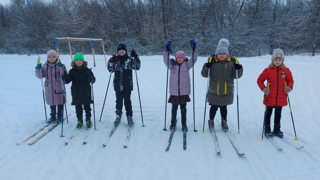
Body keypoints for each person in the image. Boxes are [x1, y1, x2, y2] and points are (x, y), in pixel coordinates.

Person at [201, 38, 243, 131]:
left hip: (226, 90)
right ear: (217, 54)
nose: (222, 55)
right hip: (214, 89)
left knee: (224, 108)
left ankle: (224, 121)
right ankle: (211, 121)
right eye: (220, 53)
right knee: (213, 107)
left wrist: (238, 68)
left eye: (224, 53)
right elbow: (204, 74)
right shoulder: (212, 62)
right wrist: (207, 66)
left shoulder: (231, 63)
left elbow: (236, 76)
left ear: (227, 54)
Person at [257, 49, 294, 138]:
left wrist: (289, 87)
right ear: (272, 60)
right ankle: (267, 129)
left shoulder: (286, 70)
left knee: (278, 115)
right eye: (275, 60)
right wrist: (264, 89)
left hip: (281, 97)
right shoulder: (268, 70)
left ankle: (277, 130)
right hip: (270, 96)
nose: (277, 62)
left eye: (279, 60)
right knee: (268, 114)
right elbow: (259, 80)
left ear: (282, 60)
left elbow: (290, 81)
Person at [163, 40, 198, 131]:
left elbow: (193, 59)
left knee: (183, 109)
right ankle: (173, 123)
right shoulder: (172, 66)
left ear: (184, 58)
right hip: (174, 92)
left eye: (181, 57)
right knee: (174, 109)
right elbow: (165, 60)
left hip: (184, 92)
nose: (179, 59)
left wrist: (194, 50)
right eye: (178, 57)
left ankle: (184, 123)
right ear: (175, 58)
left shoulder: (187, 65)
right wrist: (166, 50)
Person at [107, 43, 141, 127]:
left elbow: (137, 67)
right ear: (117, 51)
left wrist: (136, 57)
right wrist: (111, 61)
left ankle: (129, 116)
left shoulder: (130, 60)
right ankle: (118, 115)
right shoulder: (115, 60)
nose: (121, 51)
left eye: (123, 50)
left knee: (127, 101)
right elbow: (110, 69)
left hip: (127, 85)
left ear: (125, 51)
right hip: (118, 85)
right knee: (118, 101)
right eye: (119, 50)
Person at [62, 52, 96, 129]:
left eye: (80, 60)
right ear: (74, 62)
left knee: (87, 108)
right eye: (77, 60)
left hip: (86, 92)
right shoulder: (72, 71)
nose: (79, 62)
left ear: (83, 61)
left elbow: (93, 80)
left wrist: (92, 78)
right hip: (76, 93)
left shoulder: (87, 70)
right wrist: (64, 77)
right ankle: (79, 120)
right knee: (78, 108)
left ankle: (88, 120)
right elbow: (67, 81)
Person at [35, 50, 67, 124]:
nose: (51, 58)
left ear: (56, 57)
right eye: (49, 57)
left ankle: (60, 116)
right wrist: (38, 69)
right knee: (51, 102)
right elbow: (40, 76)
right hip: (49, 87)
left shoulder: (61, 65)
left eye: (53, 57)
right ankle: (52, 116)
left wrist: (61, 67)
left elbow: (65, 75)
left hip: (59, 87)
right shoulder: (44, 66)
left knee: (60, 102)